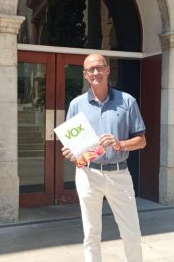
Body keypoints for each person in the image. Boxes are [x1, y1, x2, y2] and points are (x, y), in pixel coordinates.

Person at [62, 53, 146, 262]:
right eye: (91, 69)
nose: (96, 72)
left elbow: (142, 141)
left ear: (108, 70)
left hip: (119, 174)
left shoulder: (127, 101)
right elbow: (73, 147)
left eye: (100, 67)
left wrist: (120, 144)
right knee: (91, 233)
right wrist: (71, 154)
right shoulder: (76, 105)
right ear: (85, 74)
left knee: (131, 233)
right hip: (87, 174)